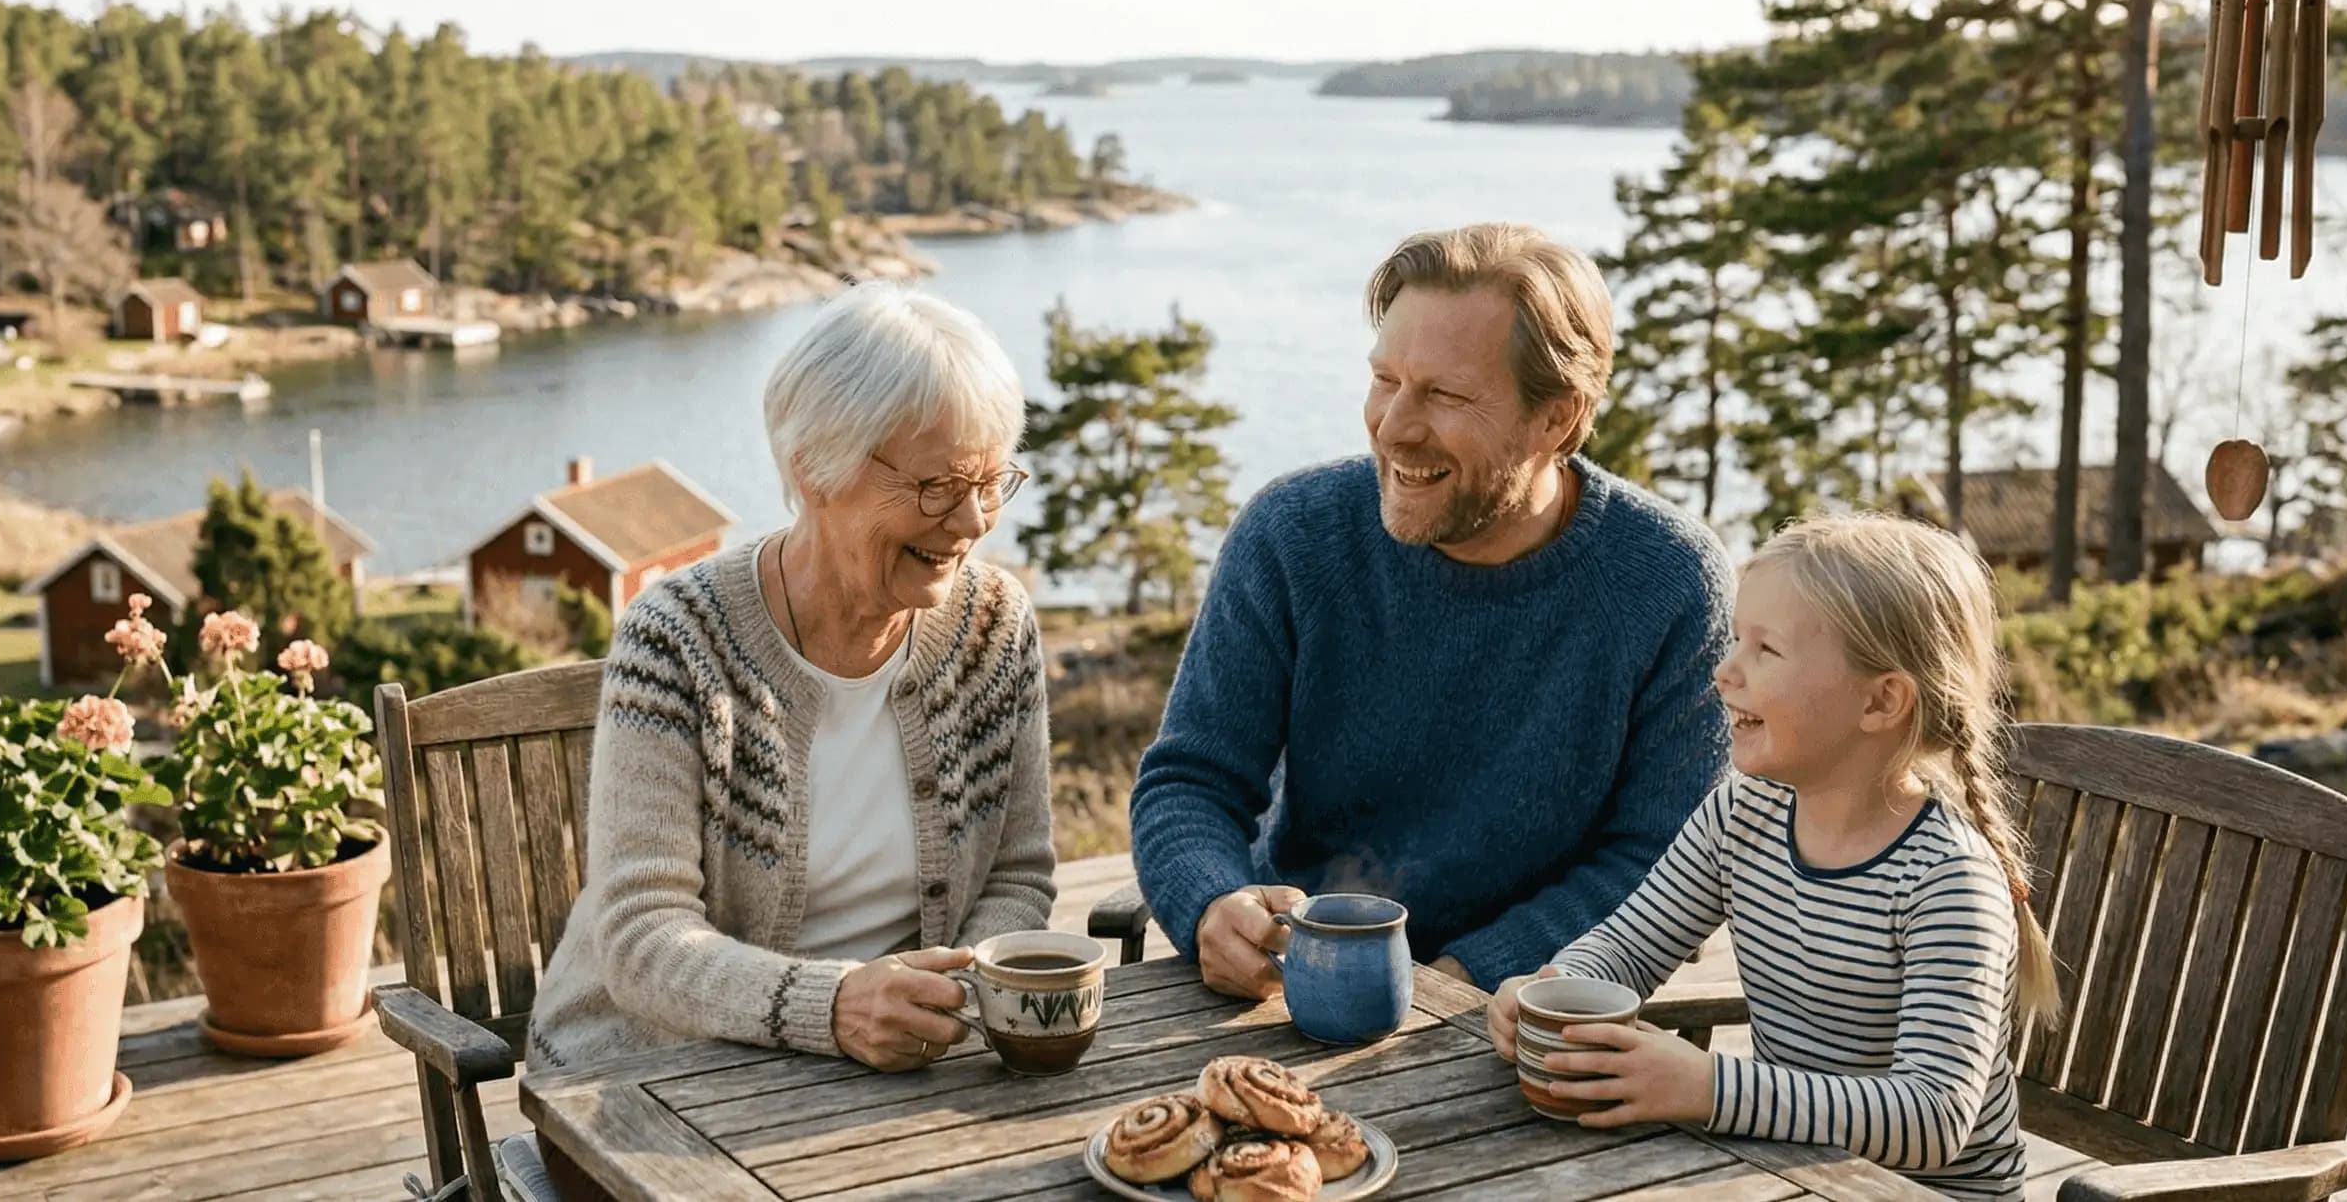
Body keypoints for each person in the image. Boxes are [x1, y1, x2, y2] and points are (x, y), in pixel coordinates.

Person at [1129, 222, 1735, 999]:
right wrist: (1211, 899)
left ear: (1558, 417)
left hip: (1528, 1012)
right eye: (1386, 379)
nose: (1394, 425)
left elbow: (1661, 862)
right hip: (1288, 989)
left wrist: (1460, 980)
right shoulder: (1292, 534)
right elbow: (1190, 779)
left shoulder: (1671, 582)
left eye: (1445, 394)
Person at [529, 282, 1057, 1079]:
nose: (974, 521)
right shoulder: (678, 638)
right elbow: (642, 937)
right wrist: (833, 1007)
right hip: (646, 1076)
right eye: (937, 487)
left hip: (890, 1079)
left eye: (990, 483)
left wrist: (945, 995)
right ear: (815, 467)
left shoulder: (993, 627)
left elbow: (1020, 872)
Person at [1497, 513, 2057, 1200]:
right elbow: (1627, 948)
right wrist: (1550, 989)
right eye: (1736, 639)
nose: (1726, 671)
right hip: (1794, 1179)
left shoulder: (1948, 882)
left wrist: (1706, 1086)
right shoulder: (1744, 813)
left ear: (1881, 700)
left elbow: (1932, 1115)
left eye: (1766, 650)